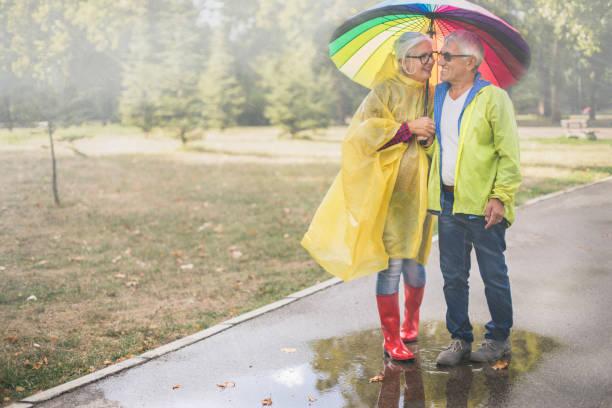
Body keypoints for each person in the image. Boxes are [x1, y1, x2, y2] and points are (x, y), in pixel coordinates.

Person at [302, 32, 436, 361]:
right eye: (422, 56)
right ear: (404, 61)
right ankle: (391, 339)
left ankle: (411, 323)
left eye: (432, 55)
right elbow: (361, 136)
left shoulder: (434, 94)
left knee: (416, 264)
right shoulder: (384, 91)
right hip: (390, 196)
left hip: (420, 197)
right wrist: (406, 129)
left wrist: (428, 138)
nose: (430, 61)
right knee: (391, 264)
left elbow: (441, 140)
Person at [424, 30, 522, 365]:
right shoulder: (436, 95)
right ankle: (459, 339)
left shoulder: (493, 98)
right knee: (453, 275)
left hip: (484, 204)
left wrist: (501, 196)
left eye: (447, 56)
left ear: (470, 62)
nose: (441, 62)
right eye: (440, 56)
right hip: (448, 202)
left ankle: (499, 338)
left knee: (493, 273)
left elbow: (508, 153)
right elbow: (440, 145)